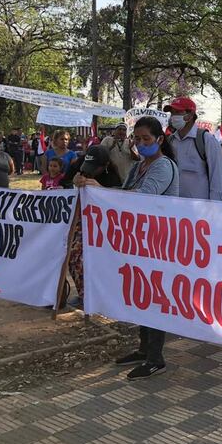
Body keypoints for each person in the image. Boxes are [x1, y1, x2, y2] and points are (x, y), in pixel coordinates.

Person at [103, 117, 179, 380]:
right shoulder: (138, 167)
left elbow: (142, 198)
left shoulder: (163, 167)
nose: (141, 143)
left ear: (159, 139)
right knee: (141, 295)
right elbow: (124, 192)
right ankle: (144, 348)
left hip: (160, 242)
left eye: (146, 139)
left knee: (155, 298)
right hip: (139, 241)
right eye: (137, 138)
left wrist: (99, 190)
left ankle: (156, 358)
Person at [68, 145, 123, 308]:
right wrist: (74, 182)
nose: (90, 171)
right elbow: (62, 181)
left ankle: (103, 295)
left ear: (105, 166)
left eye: (95, 168)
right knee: (74, 255)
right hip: (82, 221)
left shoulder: (114, 178)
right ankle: (84, 294)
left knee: (103, 261)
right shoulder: (79, 167)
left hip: (105, 226)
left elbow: (122, 199)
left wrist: (102, 190)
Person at [165, 96, 222, 200]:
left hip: (198, 211)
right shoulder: (170, 141)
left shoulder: (206, 140)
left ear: (190, 115)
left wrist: (214, 208)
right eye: (172, 113)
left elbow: (218, 178)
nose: (173, 117)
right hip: (173, 208)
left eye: (178, 112)